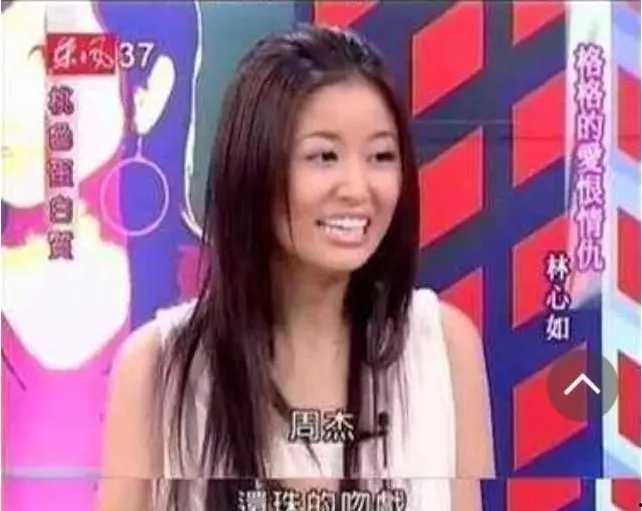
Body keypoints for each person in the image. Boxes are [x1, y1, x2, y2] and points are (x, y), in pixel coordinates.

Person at [97, 24, 494, 511]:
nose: (358, 188)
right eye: (324, 156)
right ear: (254, 167)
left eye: (381, 156)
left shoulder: (444, 349)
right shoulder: (160, 369)